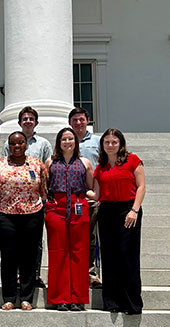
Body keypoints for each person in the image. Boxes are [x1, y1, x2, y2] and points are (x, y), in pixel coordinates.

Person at [89, 128, 146, 315]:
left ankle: (132, 304)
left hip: (128, 210)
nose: (111, 145)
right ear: (102, 145)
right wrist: (77, 190)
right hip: (107, 212)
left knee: (127, 256)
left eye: (114, 142)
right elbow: (96, 194)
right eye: (107, 142)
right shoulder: (101, 167)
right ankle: (112, 302)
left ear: (120, 144)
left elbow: (141, 187)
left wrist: (134, 210)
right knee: (110, 257)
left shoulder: (133, 160)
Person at [0, 131, 47, 310]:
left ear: (26, 144)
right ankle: (8, 297)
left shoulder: (37, 164)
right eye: (13, 144)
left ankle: (26, 297)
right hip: (5, 214)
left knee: (28, 256)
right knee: (8, 255)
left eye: (20, 143)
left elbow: (44, 188)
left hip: (32, 213)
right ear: (8, 145)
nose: (17, 147)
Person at [2, 106, 51, 288]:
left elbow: (47, 171)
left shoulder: (43, 144)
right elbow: (3, 168)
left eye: (31, 118)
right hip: (12, 202)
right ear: (20, 122)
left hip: (35, 201)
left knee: (35, 242)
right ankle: (15, 276)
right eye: (25, 119)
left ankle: (34, 275)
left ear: (36, 122)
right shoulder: (10, 143)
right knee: (14, 242)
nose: (28, 121)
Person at [45, 128, 93, 311]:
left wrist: (96, 195)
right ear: (59, 142)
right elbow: (45, 186)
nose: (67, 142)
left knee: (79, 252)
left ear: (76, 141)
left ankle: (77, 297)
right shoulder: (50, 162)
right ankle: (60, 298)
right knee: (58, 252)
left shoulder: (84, 162)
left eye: (70, 138)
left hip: (78, 206)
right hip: (56, 207)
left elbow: (89, 186)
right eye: (64, 139)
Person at [69, 107, 102, 289]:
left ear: (87, 120)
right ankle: (74, 272)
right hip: (72, 198)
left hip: (92, 197)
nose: (78, 123)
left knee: (92, 238)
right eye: (75, 120)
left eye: (81, 119)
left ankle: (91, 273)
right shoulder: (67, 141)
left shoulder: (97, 141)